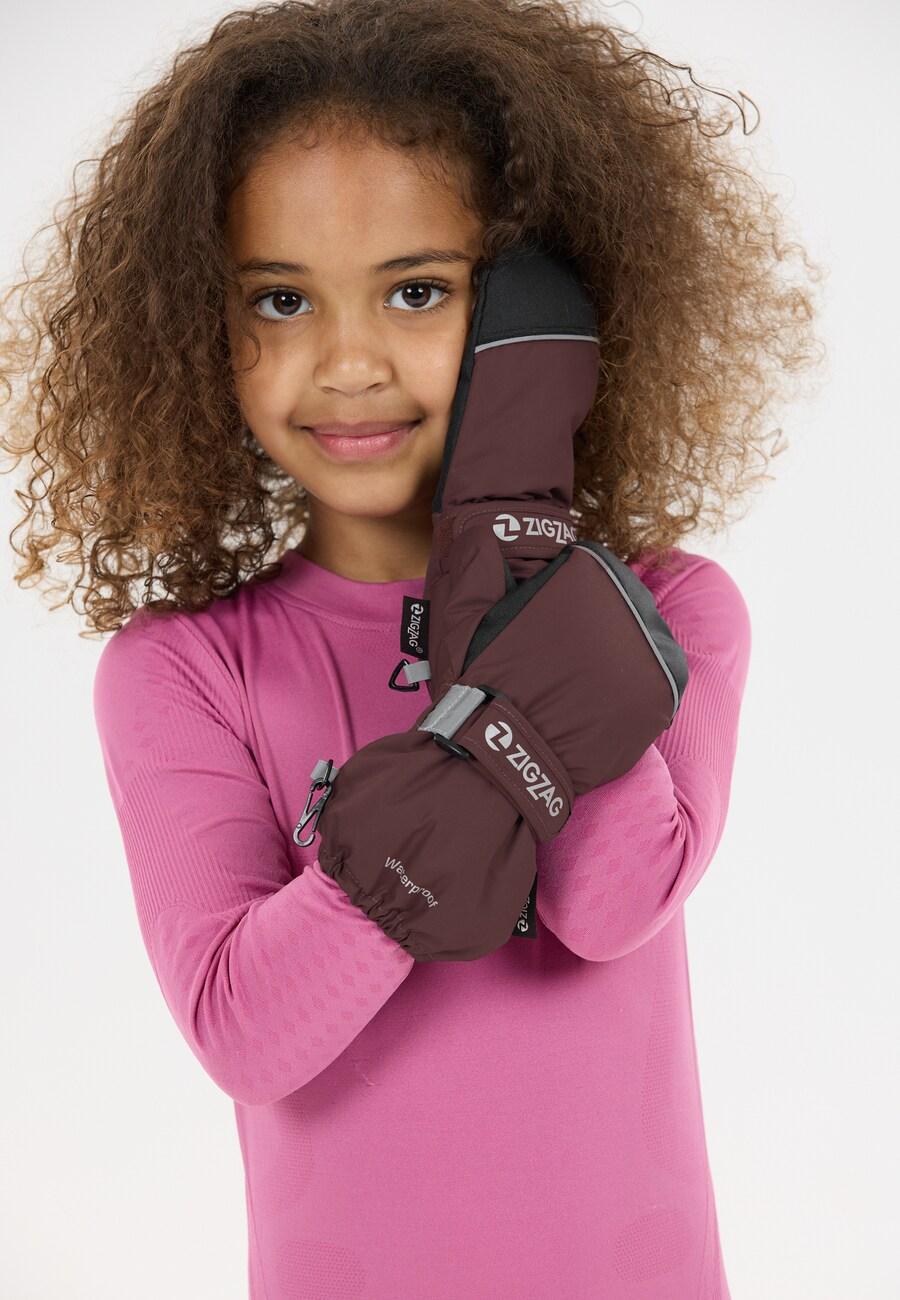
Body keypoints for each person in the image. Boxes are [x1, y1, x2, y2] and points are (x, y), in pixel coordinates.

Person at [0, 1, 823, 1295]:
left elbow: (608, 905)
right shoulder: (186, 670)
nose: (347, 362)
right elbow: (245, 1031)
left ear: (538, 311)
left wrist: (518, 545)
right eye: (282, 299)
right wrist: (483, 759)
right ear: (196, 331)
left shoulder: (672, 612)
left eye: (418, 290)